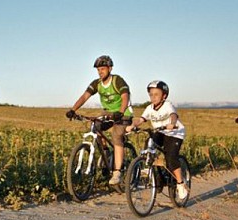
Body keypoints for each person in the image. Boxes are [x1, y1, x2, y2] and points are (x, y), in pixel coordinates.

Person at [65, 55, 133, 185]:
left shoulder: (117, 80)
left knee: (116, 135)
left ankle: (117, 172)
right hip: (108, 112)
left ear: (110, 68)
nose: (100, 72)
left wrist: (121, 111)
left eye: (102, 69)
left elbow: (125, 96)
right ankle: (107, 154)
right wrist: (73, 110)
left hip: (123, 112)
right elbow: (85, 96)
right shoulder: (97, 83)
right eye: (98, 69)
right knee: (96, 126)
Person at [126, 80, 188, 199]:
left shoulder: (167, 105)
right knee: (149, 145)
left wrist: (172, 123)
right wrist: (132, 126)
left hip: (174, 133)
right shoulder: (149, 108)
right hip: (159, 132)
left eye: (156, 94)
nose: (153, 97)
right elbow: (141, 119)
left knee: (170, 158)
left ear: (164, 96)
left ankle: (180, 183)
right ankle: (156, 176)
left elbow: (173, 115)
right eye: (151, 95)